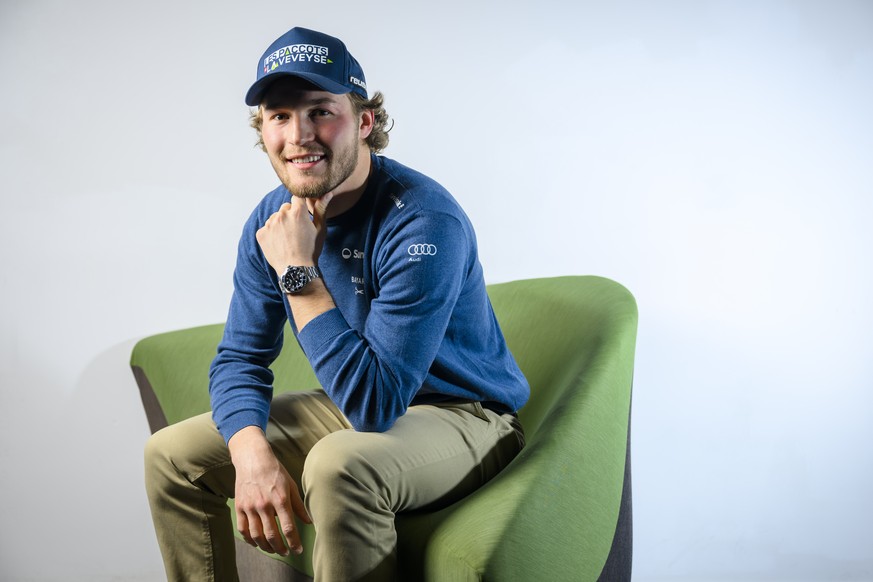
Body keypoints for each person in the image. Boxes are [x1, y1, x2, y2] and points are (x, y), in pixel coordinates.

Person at [144, 26, 529, 582]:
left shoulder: (424, 221)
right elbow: (239, 358)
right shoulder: (270, 220)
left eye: (320, 111)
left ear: (365, 121)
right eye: (279, 116)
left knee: (339, 464)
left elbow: (375, 404)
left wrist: (298, 273)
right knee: (170, 457)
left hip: (464, 415)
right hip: (353, 405)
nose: (299, 136)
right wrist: (250, 455)